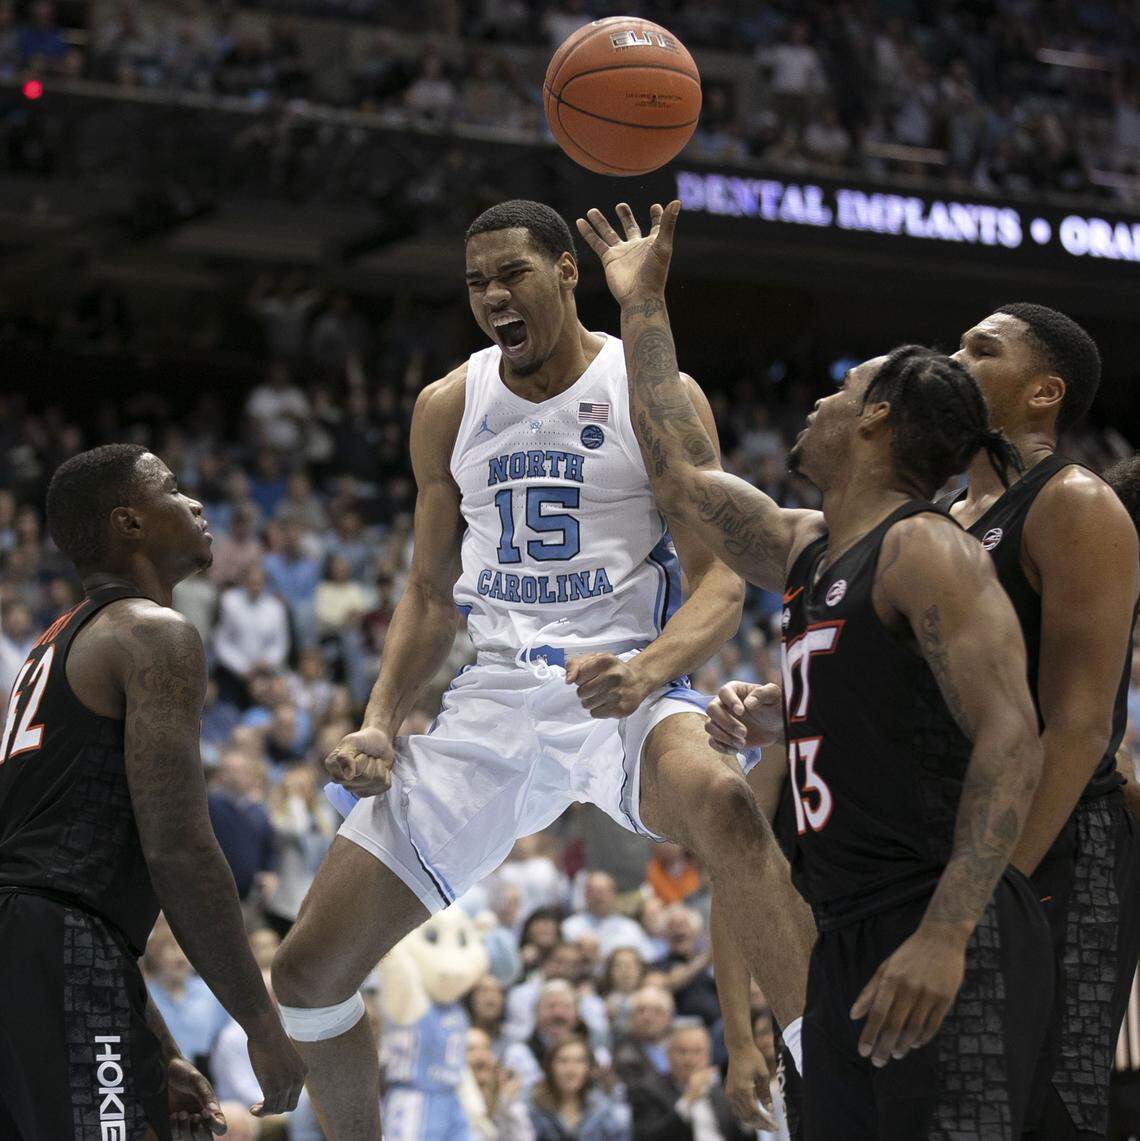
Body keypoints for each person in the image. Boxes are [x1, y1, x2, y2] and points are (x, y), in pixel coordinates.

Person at [272, 199, 816, 1136]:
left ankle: (835, 1093)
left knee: (728, 808)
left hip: (623, 685)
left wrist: (650, 671)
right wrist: (378, 715)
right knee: (306, 974)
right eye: (476, 282)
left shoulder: (656, 393)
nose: (491, 297)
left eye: (511, 274)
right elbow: (429, 593)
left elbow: (722, 579)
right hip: (493, 698)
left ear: (568, 271)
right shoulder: (449, 405)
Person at [577, 201, 1050, 1137]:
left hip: (935, 921)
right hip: (845, 928)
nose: (818, 401)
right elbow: (679, 473)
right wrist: (643, 305)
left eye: (842, 389)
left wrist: (949, 933)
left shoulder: (928, 552)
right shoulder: (807, 546)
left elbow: (1013, 736)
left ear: (876, 417)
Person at [0, 445, 304, 1139]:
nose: (196, 503)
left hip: (39, 948)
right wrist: (260, 1023)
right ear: (128, 523)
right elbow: (180, 848)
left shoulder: (53, 644)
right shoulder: (152, 634)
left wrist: (156, 1043)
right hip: (57, 951)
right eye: (171, 488)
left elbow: (56, 886)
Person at [937, 306, 1140, 1139]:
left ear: (1043, 391)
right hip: (953, 844)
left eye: (980, 351)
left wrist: (993, 888)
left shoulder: (1075, 503)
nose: (951, 359)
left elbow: (1083, 728)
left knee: (1048, 1113)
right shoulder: (941, 520)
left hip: (1056, 851)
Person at [625, 1021, 752, 1141]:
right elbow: (647, 1137)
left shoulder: (719, 1092)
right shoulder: (647, 1090)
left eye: (697, 1052)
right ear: (668, 1054)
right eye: (682, 1051)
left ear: (708, 1056)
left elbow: (743, 1136)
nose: (689, 1060)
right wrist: (689, 1099)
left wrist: (746, 1113)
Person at [527, 1033, 630, 1141]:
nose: (571, 1070)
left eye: (579, 1061)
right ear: (549, 1067)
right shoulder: (532, 1111)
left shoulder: (606, 1113)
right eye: (563, 1061)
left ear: (589, 1068)